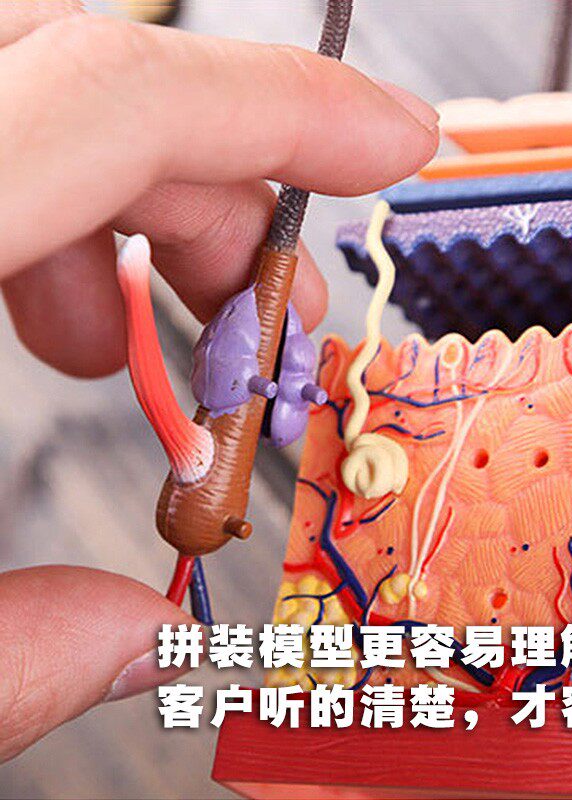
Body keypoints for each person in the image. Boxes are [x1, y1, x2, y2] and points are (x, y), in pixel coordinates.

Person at [0, 3, 438, 763]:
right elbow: (154, 373)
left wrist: (138, 289)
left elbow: (154, 372)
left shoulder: (214, 442)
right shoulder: (214, 445)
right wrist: (138, 289)